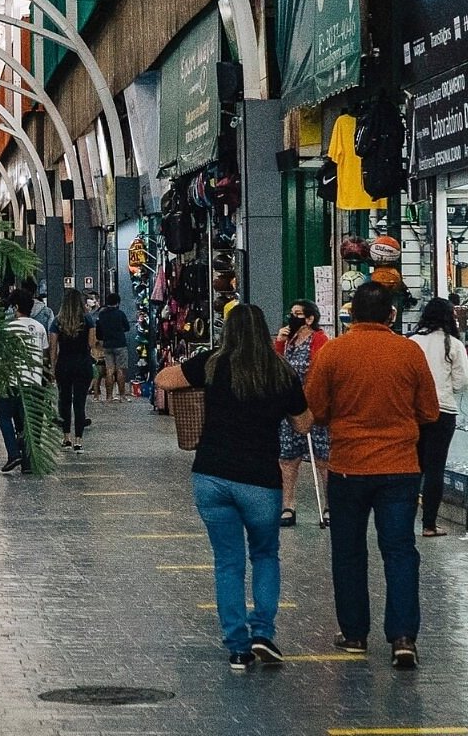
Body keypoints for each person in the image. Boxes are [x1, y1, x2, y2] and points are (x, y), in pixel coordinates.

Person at [156, 304, 312, 672]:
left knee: (228, 561)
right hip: (260, 481)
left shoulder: (212, 363)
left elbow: (164, 380)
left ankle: (237, 648)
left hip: (211, 475)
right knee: (264, 555)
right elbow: (304, 425)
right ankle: (263, 633)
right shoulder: (281, 373)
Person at [306, 280, 441, 669]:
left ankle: (354, 634)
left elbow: (316, 408)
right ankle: (402, 637)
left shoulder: (334, 353)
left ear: (350, 314)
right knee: (399, 552)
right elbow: (430, 411)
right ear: (392, 315)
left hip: (348, 466)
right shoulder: (408, 352)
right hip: (400, 468)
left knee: (349, 552)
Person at [409, 297, 468, 537]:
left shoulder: (412, 342)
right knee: (435, 468)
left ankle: (404, 520)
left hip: (413, 412)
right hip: (443, 412)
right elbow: (462, 381)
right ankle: (429, 524)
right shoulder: (452, 344)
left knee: (413, 467)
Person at [274, 299, 330, 527]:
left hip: (313, 405)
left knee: (323, 457)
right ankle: (288, 505)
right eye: (291, 313)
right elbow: (276, 367)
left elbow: (319, 368)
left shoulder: (319, 339)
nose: (292, 318)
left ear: (310, 319)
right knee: (288, 458)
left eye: (297, 314)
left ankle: (329, 506)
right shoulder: (289, 342)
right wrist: (279, 343)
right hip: (290, 408)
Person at [0, 290, 48, 474]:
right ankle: (28, 461)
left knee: (3, 417)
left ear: (16, 307)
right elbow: (44, 355)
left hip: (13, 382)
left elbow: (2, 357)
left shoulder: (9, 328)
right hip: (34, 382)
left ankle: (13, 453)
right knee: (29, 422)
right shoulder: (39, 328)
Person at [49, 288, 95, 451]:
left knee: (64, 400)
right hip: (83, 364)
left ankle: (66, 437)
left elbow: (53, 348)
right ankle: (78, 440)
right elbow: (91, 344)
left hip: (64, 364)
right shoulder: (88, 320)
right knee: (80, 402)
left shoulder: (57, 321)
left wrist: (52, 368)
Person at [94, 292, 131, 402]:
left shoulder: (102, 315)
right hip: (120, 344)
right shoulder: (120, 314)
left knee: (109, 370)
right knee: (121, 370)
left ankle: (109, 396)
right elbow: (127, 327)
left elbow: (99, 333)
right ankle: (122, 396)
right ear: (118, 302)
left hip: (107, 345)